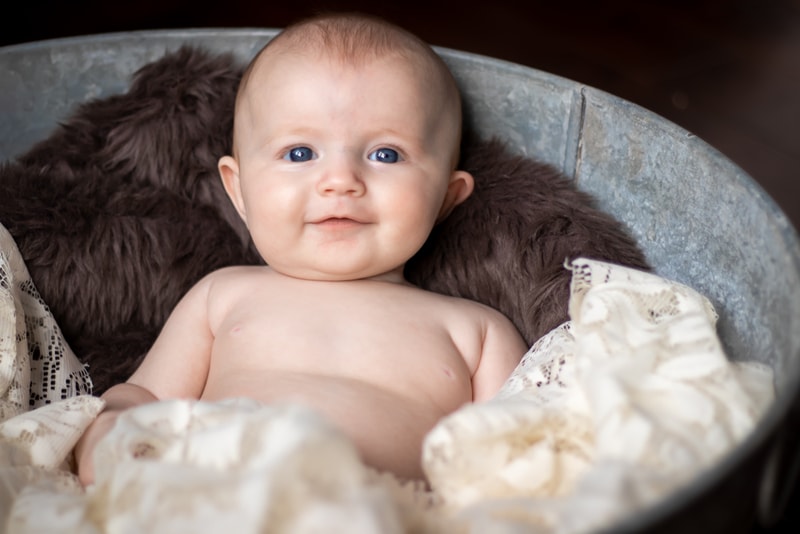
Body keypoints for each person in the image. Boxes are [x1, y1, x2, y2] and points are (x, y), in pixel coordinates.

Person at [74, 13, 528, 484]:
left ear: (446, 198)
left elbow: (519, 446)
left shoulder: (474, 331)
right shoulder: (222, 296)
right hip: (212, 489)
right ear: (239, 191)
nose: (339, 181)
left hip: (373, 510)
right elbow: (144, 395)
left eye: (385, 154)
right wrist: (108, 430)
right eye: (299, 153)